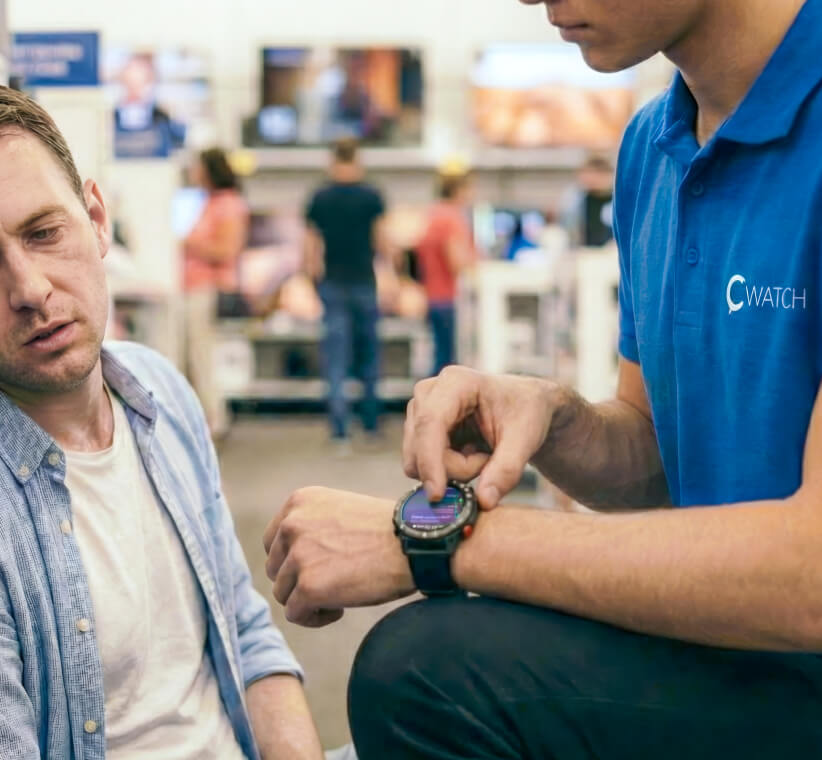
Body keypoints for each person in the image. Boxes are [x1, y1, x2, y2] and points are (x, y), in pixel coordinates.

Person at [264, 0, 822, 757]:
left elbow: (812, 576)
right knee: (430, 658)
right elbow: (659, 461)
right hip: (743, 654)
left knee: (424, 670)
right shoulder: (650, 147)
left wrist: (433, 542)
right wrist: (557, 419)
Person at [0, 83, 321, 760]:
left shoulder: (160, 393)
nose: (31, 289)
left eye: (45, 233)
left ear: (96, 219)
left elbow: (243, 629)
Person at [304, 137, 387, 443]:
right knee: (369, 355)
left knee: (336, 357)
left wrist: (311, 279)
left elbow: (312, 245)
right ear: (357, 158)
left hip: (333, 283)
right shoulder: (371, 196)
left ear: (333, 159)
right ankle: (371, 423)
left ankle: (339, 427)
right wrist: (394, 276)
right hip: (365, 281)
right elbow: (382, 240)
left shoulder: (321, 197)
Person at [181, 148, 250, 439]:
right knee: (196, 356)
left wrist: (188, 244)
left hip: (209, 289)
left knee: (203, 357)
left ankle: (214, 418)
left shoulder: (229, 205)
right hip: (194, 288)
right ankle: (205, 416)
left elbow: (228, 249)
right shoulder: (209, 202)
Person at [414, 169, 477, 375]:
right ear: (459, 190)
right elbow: (456, 261)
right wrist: (476, 261)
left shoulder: (431, 215)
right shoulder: (452, 218)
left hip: (432, 294)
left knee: (440, 355)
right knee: (448, 364)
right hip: (448, 296)